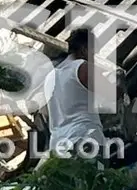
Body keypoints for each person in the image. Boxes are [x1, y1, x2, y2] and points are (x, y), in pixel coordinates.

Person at [42, 28, 108, 164]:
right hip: (84, 137)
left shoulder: (50, 77)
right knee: (94, 183)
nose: (93, 57)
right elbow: (112, 94)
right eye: (93, 52)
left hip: (58, 146)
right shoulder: (82, 67)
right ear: (84, 49)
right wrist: (120, 79)